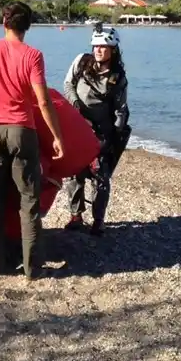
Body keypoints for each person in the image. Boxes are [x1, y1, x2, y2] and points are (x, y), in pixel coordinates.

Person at [0, 1, 66, 280]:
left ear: (3, 22)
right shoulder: (33, 56)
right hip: (21, 132)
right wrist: (57, 136)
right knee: (28, 201)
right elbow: (42, 101)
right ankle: (33, 269)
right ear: (27, 26)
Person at [63, 25, 131, 234]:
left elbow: (121, 109)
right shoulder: (81, 62)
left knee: (101, 178)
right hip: (77, 128)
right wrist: (75, 103)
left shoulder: (118, 78)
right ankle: (76, 216)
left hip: (102, 133)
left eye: (103, 47)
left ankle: (98, 220)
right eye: (96, 46)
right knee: (75, 174)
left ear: (113, 50)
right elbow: (68, 84)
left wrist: (114, 138)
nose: (98, 50)